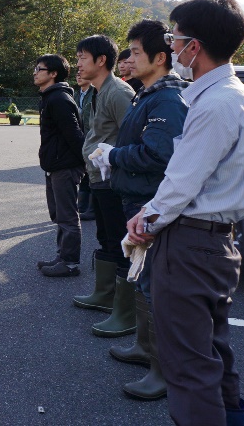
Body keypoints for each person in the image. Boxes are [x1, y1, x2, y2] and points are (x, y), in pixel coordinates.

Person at [126, 0, 244, 426]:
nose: (172, 45)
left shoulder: (217, 102)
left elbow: (181, 182)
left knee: (187, 364)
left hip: (190, 243)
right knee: (213, 350)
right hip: (215, 242)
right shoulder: (232, 94)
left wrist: (143, 223)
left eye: (175, 37)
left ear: (194, 45)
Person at [93, 20, 188, 400]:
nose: (127, 60)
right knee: (142, 280)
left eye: (134, 52)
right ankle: (145, 349)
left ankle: (161, 370)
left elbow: (159, 154)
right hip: (137, 200)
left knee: (153, 287)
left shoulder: (166, 99)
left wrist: (113, 154)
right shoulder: (148, 94)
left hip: (151, 203)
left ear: (160, 58)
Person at [73, 35, 136, 337]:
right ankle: (105, 296)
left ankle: (124, 312)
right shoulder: (99, 91)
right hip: (98, 178)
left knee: (118, 242)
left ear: (101, 60)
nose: (78, 63)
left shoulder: (118, 91)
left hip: (112, 181)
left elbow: (133, 136)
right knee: (105, 237)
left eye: (83, 57)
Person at [35, 54, 86, 277]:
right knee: (58, 214)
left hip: (65, 166)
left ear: (53, 74)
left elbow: (75, 135)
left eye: (40, 69)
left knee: (67, 215)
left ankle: (70, 262)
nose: (35, 72)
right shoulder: (49, 97)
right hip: (56, 165)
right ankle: (62, 255)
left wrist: (81, 164)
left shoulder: (59, 100)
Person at [75, 71, 95, 221]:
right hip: (80, 138)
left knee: (92, 173)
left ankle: (92, 208)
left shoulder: (95, 92)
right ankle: (82, 206)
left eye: (82, 73)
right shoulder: (76, 94)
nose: (79, 76)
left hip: (91, 138)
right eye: (77, 74)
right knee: (84, 173)